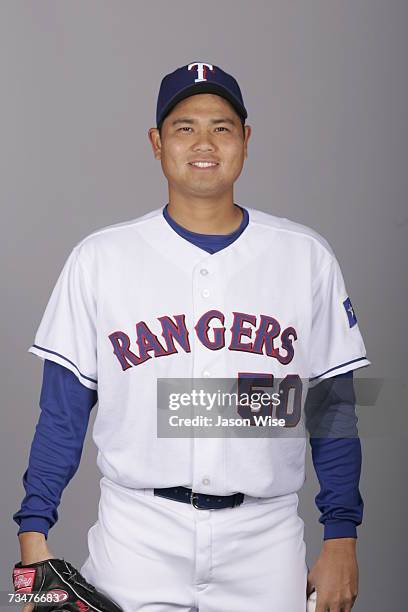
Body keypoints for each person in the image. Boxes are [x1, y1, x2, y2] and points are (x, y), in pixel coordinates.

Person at [13, 61, 370, 611]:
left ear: (246, 141)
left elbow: (331, 408)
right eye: (185, 127)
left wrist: (342, 536)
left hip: (265, 539)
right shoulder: (100, 260)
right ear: (157, 143)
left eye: (222, 127)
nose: (204, 142)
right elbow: (62, 411)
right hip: (136, 536)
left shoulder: (304, 257)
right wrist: (33, 537)